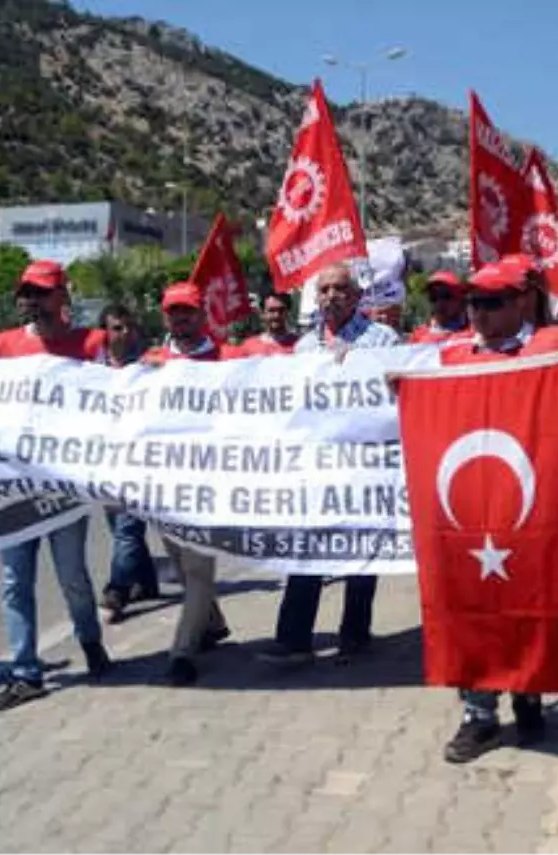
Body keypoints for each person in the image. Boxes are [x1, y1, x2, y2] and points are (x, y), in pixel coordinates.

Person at [436, 255, 558, 763]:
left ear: (522, 301)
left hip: (535, 505)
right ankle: (480, 716)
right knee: (477, 611)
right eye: (474, 302)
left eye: (492, 302)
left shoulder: (550, 348)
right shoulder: (453, 356)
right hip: (472, 509)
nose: (479, 312)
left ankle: (528, 691)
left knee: (530, 603)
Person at [0, 260, 112, 712]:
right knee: (14, 581)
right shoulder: (1, 346)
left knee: (72, 577)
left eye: (42, 292)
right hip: (15, 486)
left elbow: (112, 404)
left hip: (65, 489)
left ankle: (90, 640)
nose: (33, 301)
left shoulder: (91, 344)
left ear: (63, 296)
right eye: (27, 293)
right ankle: (25, 671)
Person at [259, 262, 400, 666]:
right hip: (318, 465)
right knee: (307, 547)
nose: (331, 296)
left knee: (360, 550)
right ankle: (294, 639)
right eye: (323, 290)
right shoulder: (304, 349)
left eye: (340, 289)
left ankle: (355, 636)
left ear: (356, 296)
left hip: (366, 462)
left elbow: (400, 388)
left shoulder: (383, 339)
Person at [143, 281, 232, 686]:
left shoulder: (226, 359)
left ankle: (182, 652)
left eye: (188, 311)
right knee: (180, 565)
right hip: (163, 483)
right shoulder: (149, 362)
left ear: (202, 314)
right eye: (173, 311)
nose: (180, 318)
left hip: (207, 482)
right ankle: (210, 622)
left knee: (197, 570)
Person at [98, 304, 161, 622]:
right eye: (116, 328)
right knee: (119, 528)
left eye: (128, 327)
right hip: (105, 462)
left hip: (139, 462)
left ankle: (116, 591)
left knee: (127, 529)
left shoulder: (148, 368)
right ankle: (147, 582)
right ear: (104, 333)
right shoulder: (91, 371)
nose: (124, 334)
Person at [408, 270, 470, 343]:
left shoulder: (473, 335)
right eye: (433, 297)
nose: (439, 303)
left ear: (461, 300)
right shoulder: (419, 334)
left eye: (446, 296)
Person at [233, 293, 299, 356]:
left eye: (281, 310)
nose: (276, 315)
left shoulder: (299, 344)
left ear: (287, 312)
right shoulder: (249, 346)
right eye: (271, 310)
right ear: (262, 313)